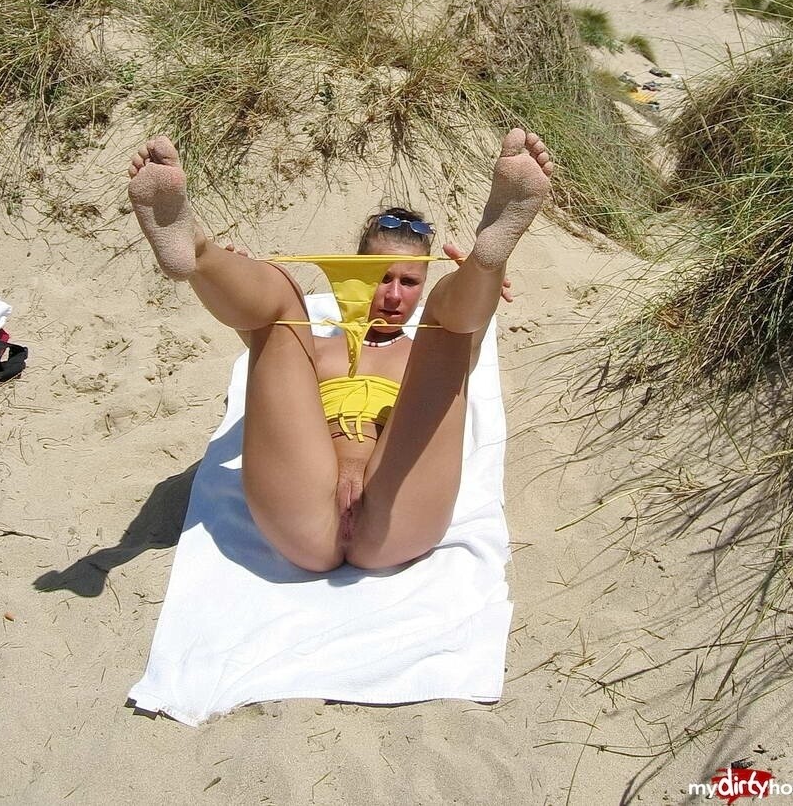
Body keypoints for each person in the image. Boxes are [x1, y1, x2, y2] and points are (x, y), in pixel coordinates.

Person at [128, 129, 554, 573]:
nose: (393, 295)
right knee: (280, 294)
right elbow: (250, 320)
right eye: (380, 277)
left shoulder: (429, 353)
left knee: (450, 321)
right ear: (354, 273)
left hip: (400, 510)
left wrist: (479, 281)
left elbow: (467, 323)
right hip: (302, 508)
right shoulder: (310, 345)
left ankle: (487, 257)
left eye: (410, 282)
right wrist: (232, 272)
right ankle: (197, 253)